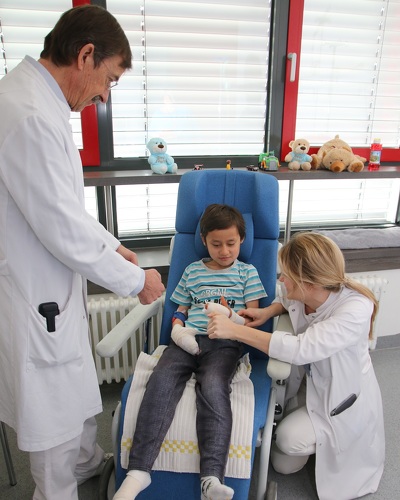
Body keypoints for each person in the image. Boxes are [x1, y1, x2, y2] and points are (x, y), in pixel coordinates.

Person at [0, 5, 164, 500]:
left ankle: (90, 461)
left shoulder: (35, 99)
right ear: (85, 54)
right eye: (109, 79)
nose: (103, 95)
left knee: (73, 389)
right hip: (36, 294)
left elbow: (60, 206)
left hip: (50, 285)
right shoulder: (29, 115)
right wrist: (138, 282)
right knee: (51, 418)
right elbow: (61, 228)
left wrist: (113, 245)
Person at [207, 231, 385, 500]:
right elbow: (287, 300)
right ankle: (312, 442)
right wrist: (268, 311)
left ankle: (325, 446)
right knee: (283, 465)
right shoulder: (305, 291)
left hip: (341, 400)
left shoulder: (355, 309)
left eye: (286, 275)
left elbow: (302, 348)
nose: (281, 279)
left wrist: (235, 331)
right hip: (312, 382)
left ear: (310, 283)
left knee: (288, 440)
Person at [114, 203, 267, 500]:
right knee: (161, 380)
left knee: (213, 386)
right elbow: (180, 309)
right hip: (186, 341)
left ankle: (211, 478)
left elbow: (253, 318)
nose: (224, 251)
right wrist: (177, 329)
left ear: (242, 241)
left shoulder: (247, 273)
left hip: (224, 342)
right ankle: (139, 472)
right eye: (216, 244)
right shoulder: (193, 271)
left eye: (231, 244)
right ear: (204, 240)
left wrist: (230, 317)